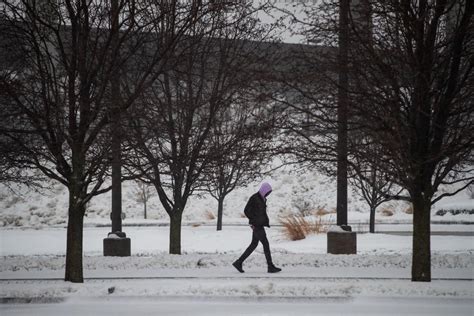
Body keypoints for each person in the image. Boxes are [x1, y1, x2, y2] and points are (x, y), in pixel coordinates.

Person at [232, 182, 282, 273]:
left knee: (253, 245)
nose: (268, 194)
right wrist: (253, 221)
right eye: (267, 191)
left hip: (259, 225)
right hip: (257, 225)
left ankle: (238, 262)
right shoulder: (254, 198)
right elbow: (246, 210)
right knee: (266, 245)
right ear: (264, 190)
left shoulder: (262, 198)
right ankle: (270, 266)